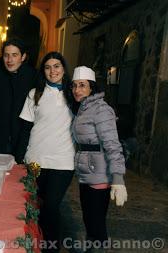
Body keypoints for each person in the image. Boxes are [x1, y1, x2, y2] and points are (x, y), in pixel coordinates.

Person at [19, 51, 75, 252]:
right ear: (43, 71)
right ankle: (35, 245)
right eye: (48, 67)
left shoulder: (73, 93)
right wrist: (20, 158)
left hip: (63, 161)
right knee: (37, 206)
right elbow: (25, 128)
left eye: (57, 66)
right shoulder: (35, 93)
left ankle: (51, 248)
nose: (53, 71)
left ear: (63, 68)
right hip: (36, 160)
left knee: (51, 206)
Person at [70, 66, 127, 252]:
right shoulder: (83, 108)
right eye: (74, 86)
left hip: (100, 175)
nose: (77, 90)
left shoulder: (101, 109)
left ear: (91, 88)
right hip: (87, 173)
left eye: (82, 85)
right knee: (90, 221)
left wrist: (118, 178)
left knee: (96, 225)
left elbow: (112, 144)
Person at [0, 38, 38, 163]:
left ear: (23, 56)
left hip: (22, 140)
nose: (10, 60)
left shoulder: (33, 77)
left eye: (14, 55)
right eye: (6, 55)